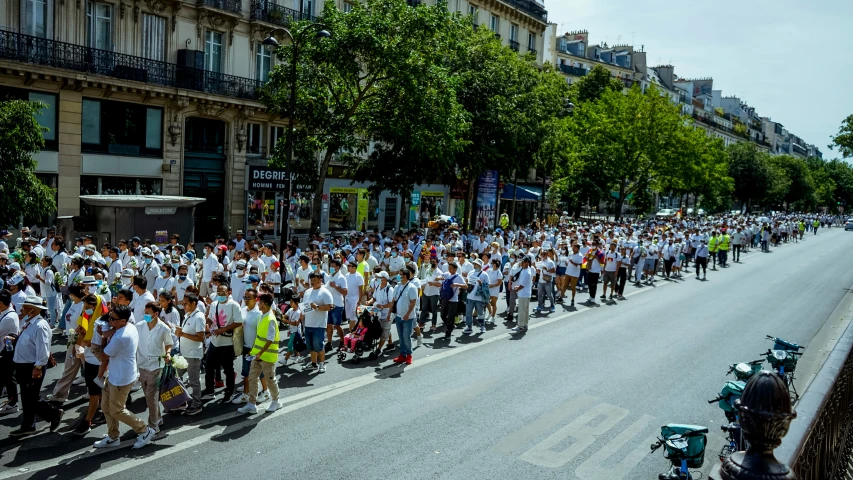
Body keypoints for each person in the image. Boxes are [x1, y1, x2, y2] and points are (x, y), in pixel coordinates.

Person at [93, 304, 157, 449]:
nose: (109, 321)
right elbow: (113, 332)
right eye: (109, 317)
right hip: (115, 374)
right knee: (106, 407)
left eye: (112, 319)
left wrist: (102, 338)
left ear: (122, 320)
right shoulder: (127, 327)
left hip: (121, 379)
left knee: (117, 409)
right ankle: (113, 436)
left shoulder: (121, 337)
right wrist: (108, 332)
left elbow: (103, 355)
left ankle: (144, 430)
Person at [10, 295, 64, 436]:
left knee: (31, 397)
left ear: (33, 310)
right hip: (23, 365)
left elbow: (43, 350)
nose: (22, 309)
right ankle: (29, 425)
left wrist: (38, 367)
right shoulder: (29, 322)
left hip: (32, 366)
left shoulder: (40, 326)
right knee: (28, 397)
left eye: (25, 307)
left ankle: (53, 414)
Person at [237, 293, 281, 414]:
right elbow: (259, 337)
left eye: (260, 302)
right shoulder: (263, 316)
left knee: (270, 380)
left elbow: (270, 339)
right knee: (252, 378)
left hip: (267, 356)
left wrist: (260, 352)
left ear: (265, 304)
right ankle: (252, 404)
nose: (258, 304)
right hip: (257, 355)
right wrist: (254, 351)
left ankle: (276, 401)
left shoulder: (270, 319)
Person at [137, 301, 173, 433]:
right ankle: (157, 418)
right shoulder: (139, 326)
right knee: (148, 394)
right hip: (142, 364)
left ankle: (153, 426)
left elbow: (169, 343)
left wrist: (168, 353)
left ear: (156, 314)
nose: (145, 315)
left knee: (151, 395)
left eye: (148, 313)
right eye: (145, 313)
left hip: (156, 365)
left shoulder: (164, 328)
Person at [203, 284, 241, 403]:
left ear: (229, 292)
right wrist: (208, 323)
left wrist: (222, 330)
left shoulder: (233, 305)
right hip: (214, 342)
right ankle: (209, 390)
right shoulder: (214, 304)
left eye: (223, 292)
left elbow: (238, 322)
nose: (220, 294)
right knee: (209, 366)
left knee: (228, 369)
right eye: (218, 292)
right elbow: (209, 318)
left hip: (227, 343)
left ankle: (229, 392)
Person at [233, 288, 271, 405]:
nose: (245, 299)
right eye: (245, 297)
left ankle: (258, 392)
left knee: (255, 372)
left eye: (248, 297)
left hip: (255, 348)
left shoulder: (259, 314)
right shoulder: (243, 310)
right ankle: (256, 391)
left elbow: (262, 333)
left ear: (256, 299)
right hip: (245, 346)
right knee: (248, 372)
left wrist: (256, 349)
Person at [175, 293, 205, 416]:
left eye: (185, 304)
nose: (184, 306)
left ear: (194, 303)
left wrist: (182, 334)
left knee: (194, 381)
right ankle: (182, 401)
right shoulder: (188, 315)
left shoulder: (198, 317)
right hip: (185, 354)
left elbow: (200, 337)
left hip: (193, 355)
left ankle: (197, 404)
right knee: (176, 377)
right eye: (182, 304)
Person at [302, 272, 333, 373]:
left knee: (319, 345)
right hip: (308, 324)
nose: (312, 282)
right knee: (311, 346)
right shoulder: (307, 292)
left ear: (320, 280)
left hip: (319, 325)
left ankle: (322, 364)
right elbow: (304, 306)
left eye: (315, 280)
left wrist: (318, 307)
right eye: (311, 280)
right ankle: (313, 363)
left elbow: (330, 306)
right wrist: (301, 316)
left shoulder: (325, 292)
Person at [0, 290, 21, 416]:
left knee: (8, 377)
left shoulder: (9, 317)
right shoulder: (5, 312)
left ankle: (13, 403)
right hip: (3, 351)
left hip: (6, 353)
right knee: (6, 377)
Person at [392, 269, 418, 365]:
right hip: (398, 316)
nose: (399, 276)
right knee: (401, 337)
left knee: (406, 337)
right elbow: (393, 300)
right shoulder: (398, 287)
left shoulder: (411, 287)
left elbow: (413, 302)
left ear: (406, 276)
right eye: (399, 274)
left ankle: (409, 354)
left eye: (401, 275)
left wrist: (407, 314)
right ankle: (402, 355)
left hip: (408, 317)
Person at [325, 258, 347, 352]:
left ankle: (342, 341)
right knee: (329, 325)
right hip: (329, 304)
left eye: (333, 266)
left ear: (338, 267)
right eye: (331, 266)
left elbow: (345, 292)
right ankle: (329, 342)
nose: (331, 268)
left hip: (337, 304)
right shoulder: (330, 276)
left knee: (337, 325)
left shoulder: (342, 278)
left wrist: (336, 287)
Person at [511, 256, 533, 334]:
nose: (522, 263)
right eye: (522, 262)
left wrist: (517, 288)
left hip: (524, 294)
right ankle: (525, 324)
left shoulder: (527, 272)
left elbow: (522, 285)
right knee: (525, 310)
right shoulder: (526, 269)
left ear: (527, 263)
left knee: (522, 310)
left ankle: (520, 326)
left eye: (524, 262)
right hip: (525, 293)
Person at [344, 261, 364, 331]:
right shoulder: (346, 275)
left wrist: (359, 300)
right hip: (347, 298)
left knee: (353, 315)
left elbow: (361, 289)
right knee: (349, 316)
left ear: (354, 267)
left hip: (355, 298)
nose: (349, 267)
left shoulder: (359, 276)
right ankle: (355, 330)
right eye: (348, 266)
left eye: (350, 266)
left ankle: (350, 331)